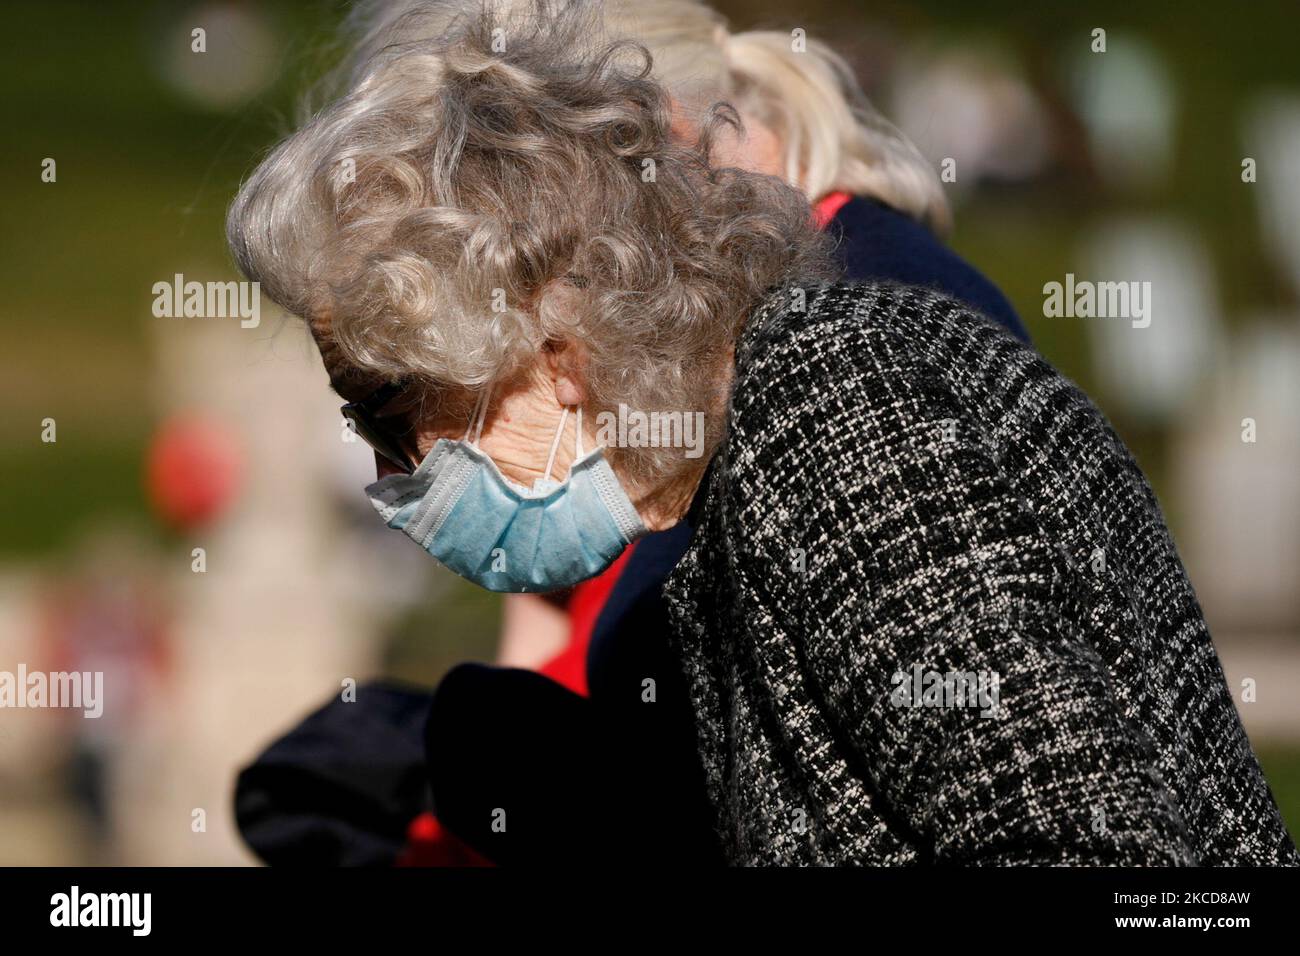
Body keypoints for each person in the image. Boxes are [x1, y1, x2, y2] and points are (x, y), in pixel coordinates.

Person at [229, 1, 1297, 865]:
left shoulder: (829, 390)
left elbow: (1097, 848)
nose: (385, 470)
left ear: (547, 341)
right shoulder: (736, 471)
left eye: (388, 406)